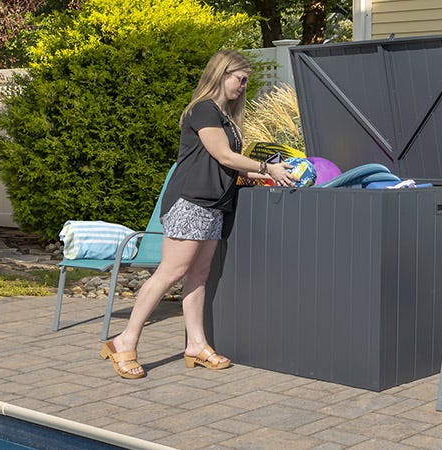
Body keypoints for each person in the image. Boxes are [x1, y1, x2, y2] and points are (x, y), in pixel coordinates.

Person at [100, 50, 296, 379]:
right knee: (171, 272)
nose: (244, 86)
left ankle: (196, 345)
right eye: (241, 79)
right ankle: (124, 340)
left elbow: (221, 164)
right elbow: (222, 154)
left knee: (199, 276)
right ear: (222, 74)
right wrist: (267, 168)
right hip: (190, 202)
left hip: (213, 204)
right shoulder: (204, 109)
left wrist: (250, 176)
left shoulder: (225, 114)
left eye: (247, 81)